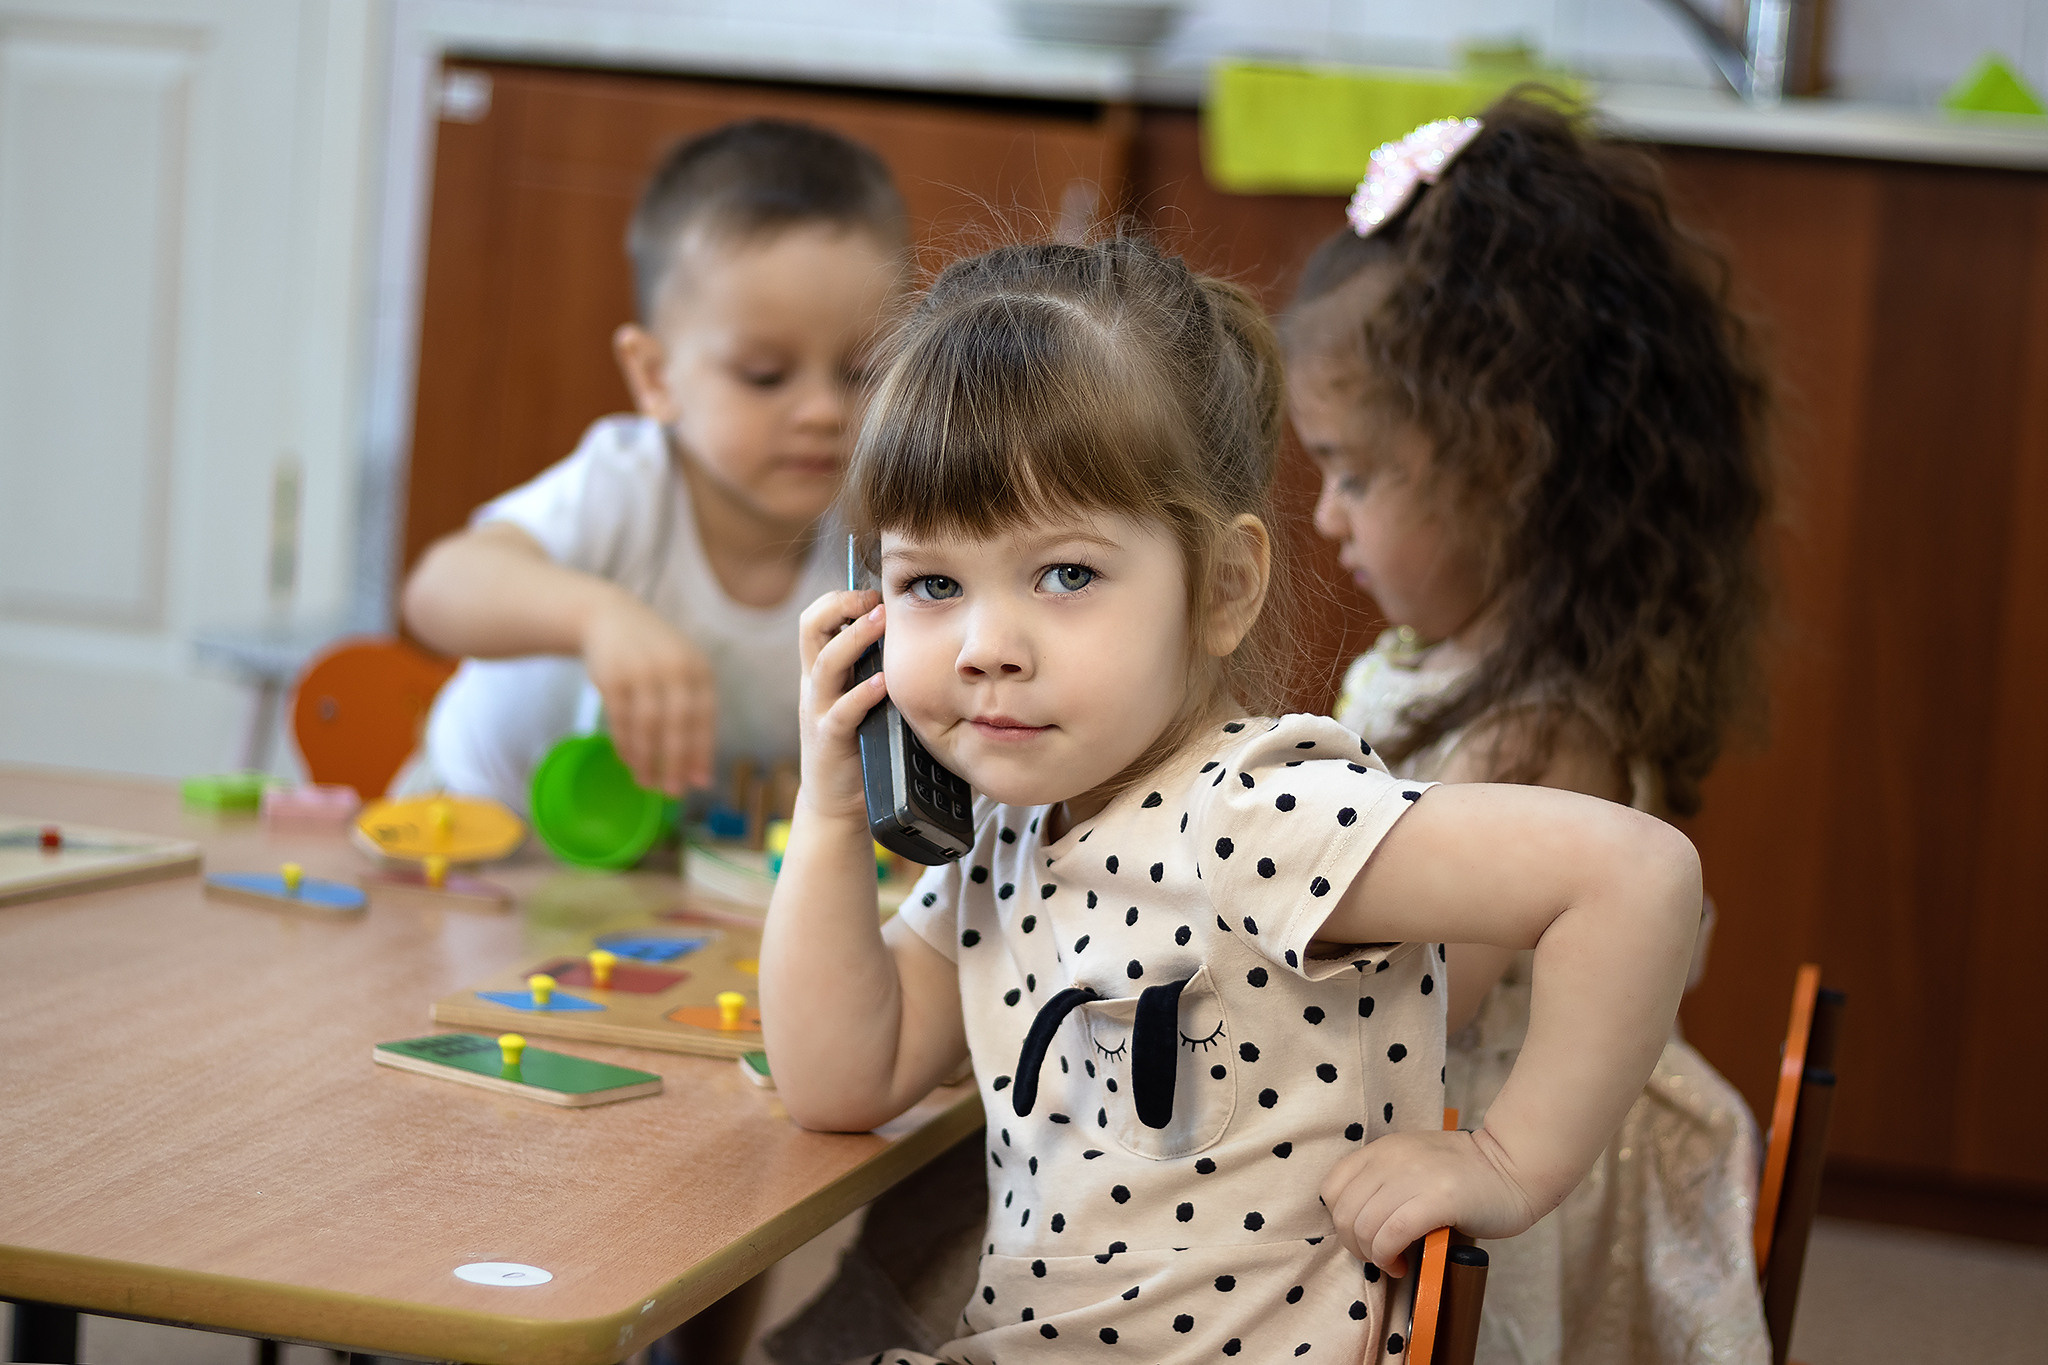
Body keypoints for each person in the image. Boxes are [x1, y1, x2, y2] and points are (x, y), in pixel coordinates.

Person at [759, 237, 1706, 1364]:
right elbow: (836, 1080)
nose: (984, 647)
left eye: (1064, 575)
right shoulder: (1001, 838)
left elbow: (1636, 875)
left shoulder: (1255, 816)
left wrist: (1504, 1163)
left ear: (1221, 590)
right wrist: (829, 811)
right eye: (929, 583)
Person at [1286, 98, 1774, 1364]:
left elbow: (1419, 1001)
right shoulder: (1437, 662)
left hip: (1503, 1150)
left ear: (1508, 463)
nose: (1326, 520)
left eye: (1354, 471)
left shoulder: (1537, 732)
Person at [402, 119, 909, 811]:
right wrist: (597, 616)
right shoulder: (626, 484)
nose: (823, 410)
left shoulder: (878, 529)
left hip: (665, 874)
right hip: (478, 829)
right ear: (655, 376)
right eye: (765, 375)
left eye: (861, 371)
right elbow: (437, 589)